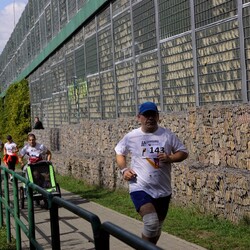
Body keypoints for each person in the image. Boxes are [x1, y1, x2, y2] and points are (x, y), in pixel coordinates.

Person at [115, 101, 188, 245]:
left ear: (158, 116)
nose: (150, 118)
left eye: (153, 115)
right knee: (151, 223)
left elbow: (183, 152)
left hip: (163, 189)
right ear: (139, 117)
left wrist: (170, 158)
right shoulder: (132, 136)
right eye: (146, 115)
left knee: (157, 228)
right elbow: (119, 152)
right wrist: (124, 169)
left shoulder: (167, 135)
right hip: (140, 186)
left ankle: (148, 247)